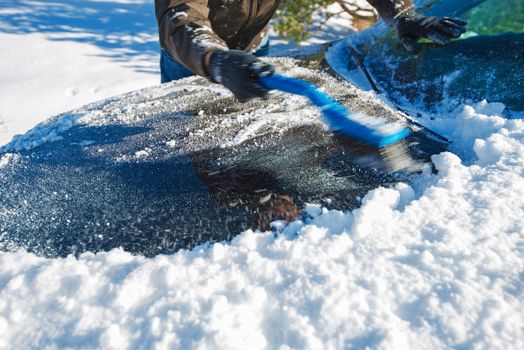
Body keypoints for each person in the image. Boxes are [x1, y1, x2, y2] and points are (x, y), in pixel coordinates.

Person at [155, 0, 466, 102]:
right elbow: (180, 17)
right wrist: (214, 59)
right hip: (191, 56)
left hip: (253, 48)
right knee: (182, 144)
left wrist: (399, 13)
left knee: (245, 124)